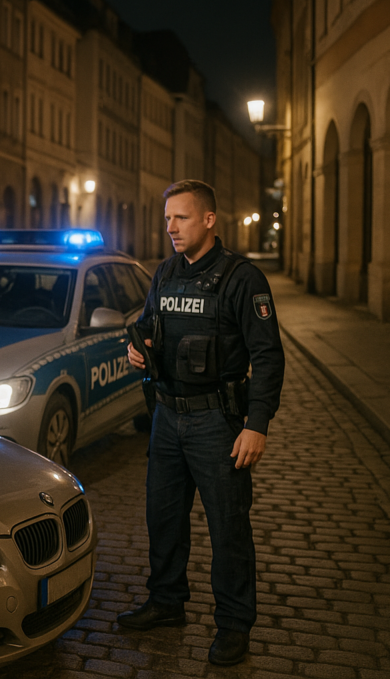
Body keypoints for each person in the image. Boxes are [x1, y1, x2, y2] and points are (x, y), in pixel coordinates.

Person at [118, 179, 284, 666]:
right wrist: (138, 351)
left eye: (181, 217)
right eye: (167, 217)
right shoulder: (166, 272)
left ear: (209, 220)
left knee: (228, 527)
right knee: (163, 519)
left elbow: (267, 356)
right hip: (168, 418)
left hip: (219, 422)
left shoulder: (242, 278)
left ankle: (234, 626)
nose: (170, 227)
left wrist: (258, 423)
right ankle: (166, 602)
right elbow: (150, 327)